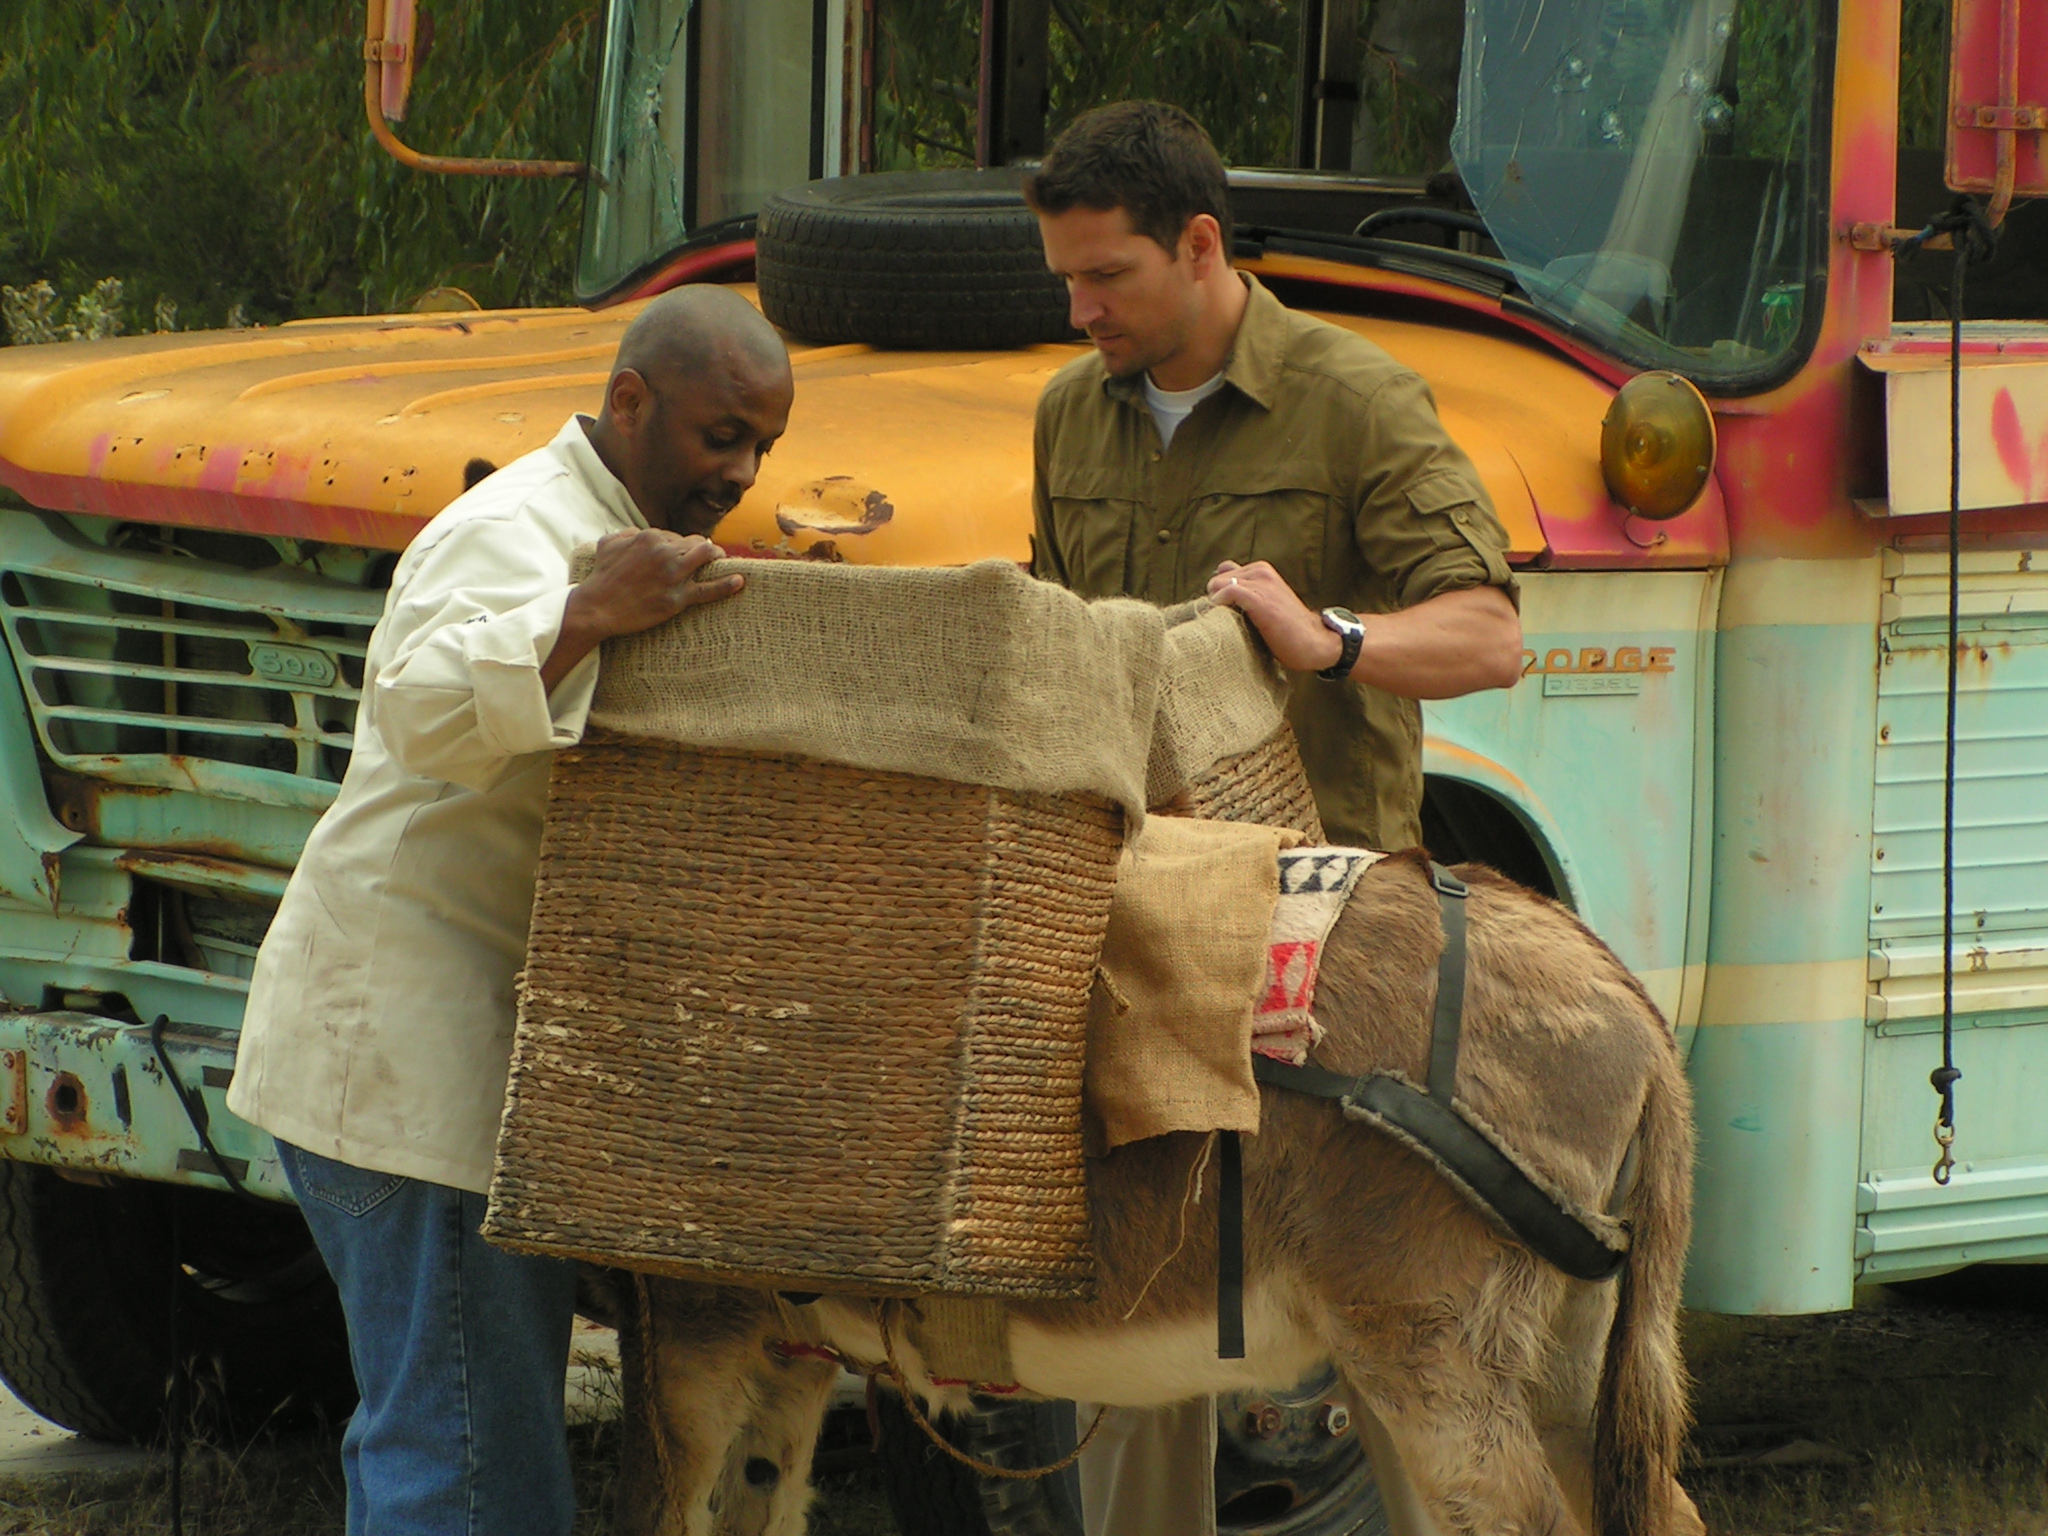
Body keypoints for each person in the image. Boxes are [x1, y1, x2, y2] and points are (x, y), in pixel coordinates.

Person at [1022, 101, 1524, 1536]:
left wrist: (1332, 642)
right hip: (1141, 923)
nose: (1080, 309)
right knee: (1136, 1302)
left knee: (1383, 1308)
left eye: (1107, 276)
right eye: (1065, 278)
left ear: (1199, 246)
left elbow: (1489, 635)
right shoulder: (1067, 412)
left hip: (1332, 935)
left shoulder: (1356, 399)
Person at [226, 285, 794, 1536]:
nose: (742, 473)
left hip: (450, 1074)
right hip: (410, 1085)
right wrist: (585, 612)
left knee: (459, 1452)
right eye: (722, 437)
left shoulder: (624, 535)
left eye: (763, 447)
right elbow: (418, 705)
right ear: (630, 400)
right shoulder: (513, 532)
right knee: (468, 1472)